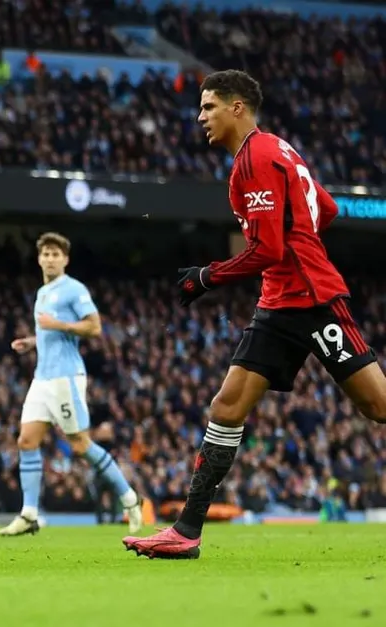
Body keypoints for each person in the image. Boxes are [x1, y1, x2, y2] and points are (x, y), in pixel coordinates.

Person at [124, 70, 386, 559]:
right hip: (279, 301)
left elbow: (266, 247)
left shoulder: (256, 159)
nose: (200, 116)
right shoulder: (276, 149)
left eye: (208, 107)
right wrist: (298, 239)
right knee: (226, 408)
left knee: (378, 407)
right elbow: (324, 209)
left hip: (312, 297)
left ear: (237, 107)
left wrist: (207, 277)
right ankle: (185, 529)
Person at [0, 232, 142, 537]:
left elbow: (94, 327)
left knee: (80, 444)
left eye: (56, 254)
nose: (50, 259)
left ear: (65, 259)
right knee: (26, 441)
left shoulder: (73, 289)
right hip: (42, 377)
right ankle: (29, 514)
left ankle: (129, 499)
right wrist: (32, 341)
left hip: (66, 378)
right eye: (46, 254)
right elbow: (50, 334)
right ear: (39, 258)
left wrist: (59, 325)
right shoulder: (42, 292)